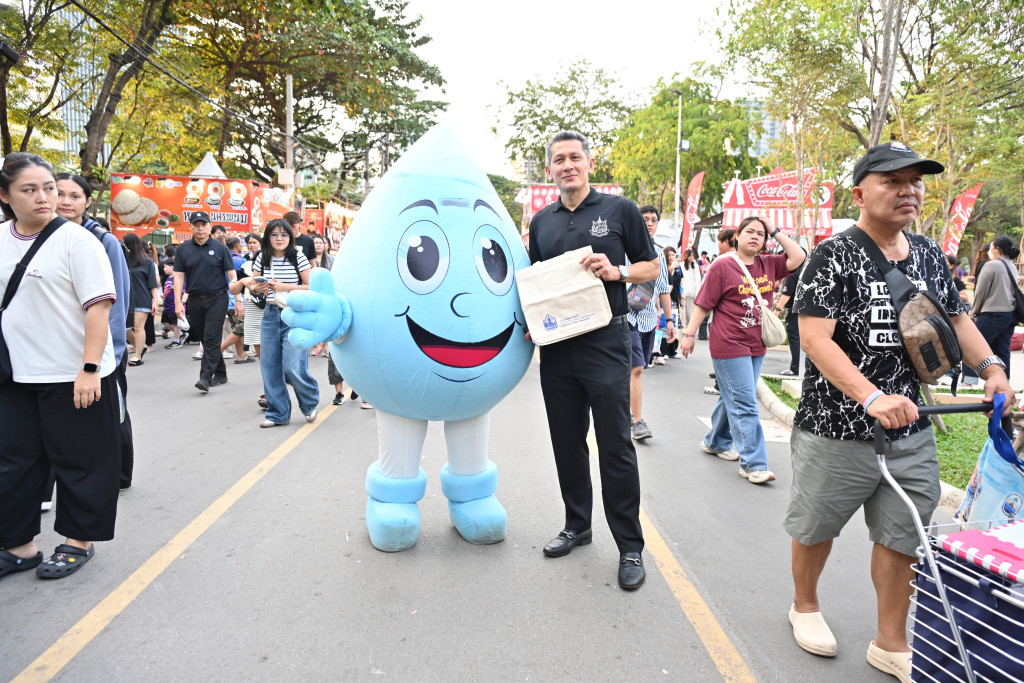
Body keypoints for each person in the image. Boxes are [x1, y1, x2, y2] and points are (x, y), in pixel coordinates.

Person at [784, 142, 1013, 682]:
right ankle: (804, 605)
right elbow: (815, 340)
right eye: (892, 181)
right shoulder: (831, 256)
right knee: (817, 525)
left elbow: (958, 320)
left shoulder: (930, 254)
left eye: (915, 181)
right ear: (860, 193)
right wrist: (871, 396)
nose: (908, 190)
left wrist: (992, 370)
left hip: (912, 429)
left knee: (902, 534)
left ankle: (890, 640)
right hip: (836, 429)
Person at [528, 130, 659, 591]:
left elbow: (651, 266)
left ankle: (630, 547)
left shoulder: (619, 210)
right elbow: (537, 282)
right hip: (557, 346)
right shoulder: (541, 222)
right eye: (559, 159)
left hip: (606, 339)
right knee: (566, 441)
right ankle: (577, 526)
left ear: (589, 163)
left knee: (615, 444)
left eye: (575, 157)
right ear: (550, 169)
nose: (567, 165)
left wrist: (617, 271)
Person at [0, 153, 120, 580]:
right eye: (29, 189)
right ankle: (19, 546)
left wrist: (89, 368)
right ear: (5, 195)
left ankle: (77, 540)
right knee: (14, 463)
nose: (44, 197)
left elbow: (98, 308)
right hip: (14, 373)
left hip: (71, 374)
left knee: (79, 460)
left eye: (48, 188)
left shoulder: (77, 241)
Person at [680, 217, 804, 484]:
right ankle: (754, 463)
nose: (755, 236)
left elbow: (798, 256)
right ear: (737, 235)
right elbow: (704, 303)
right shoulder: (722, 265)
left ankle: (716, 441)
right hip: (729, 343)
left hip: (757, 344)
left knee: (734, 396)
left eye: (761, 233)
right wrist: (689, 334)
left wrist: (774, 230)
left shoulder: (769, 263)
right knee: (745, 402)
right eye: (749, 231)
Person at [55, 173, 134, 491]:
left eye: (74, 196)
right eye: (59, 193)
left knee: (112, 415)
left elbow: (117, 301)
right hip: (59, 348)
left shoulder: (104, 241)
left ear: (88, 202)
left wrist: (112, 353)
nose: (65, 201)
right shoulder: (44, 237)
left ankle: (120, 474)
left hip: (104, 350)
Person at [236, 218, 319, 427]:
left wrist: (284, 287)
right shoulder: (261, 257)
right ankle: (277, 414)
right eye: (274, 234)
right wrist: (258, 288)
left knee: (292, 365)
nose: (279, 238)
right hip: (270, 315)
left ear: (290, 237)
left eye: (284, 234)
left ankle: (309, 402)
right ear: (268, 237)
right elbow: (254, 285)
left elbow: (312, 286)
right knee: (270, 366)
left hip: (294, 316)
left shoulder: (298, 257)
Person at [173, 211, 236, 393]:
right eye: (196, 225)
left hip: (218, 298)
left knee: (211, 337)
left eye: (204, 225)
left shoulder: (220, 248)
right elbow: (179, 277)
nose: (200, 228)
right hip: (194, 299)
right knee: (205, 337)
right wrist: (178, 302)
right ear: (190, 227)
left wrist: (239, 298)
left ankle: (205, 377)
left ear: (210, 226)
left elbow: (232, 275)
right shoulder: (183, 249)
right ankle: (221, 373)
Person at [627, 206, 675, 440]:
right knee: (636, 368)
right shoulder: (623, 248)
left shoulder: (658, 253)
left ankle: (625, 410)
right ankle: (638, 421)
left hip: (648, 320)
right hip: (625, 317)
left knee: (636, 369)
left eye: (653, 220)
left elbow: (664, 289)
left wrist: (669, 320)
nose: (649, 223)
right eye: (644, 219)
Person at [961, 234, 1019, 386]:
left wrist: (974, 312)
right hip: (1010, 315)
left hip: (992, 313)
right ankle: (1004, 382)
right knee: (1002, 350)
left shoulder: (991, 265)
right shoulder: (1012, 266)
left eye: (991, 247)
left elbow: (981, 292)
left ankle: (969, 383)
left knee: (972, 346)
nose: (989, 250)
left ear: (997, 249)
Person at [123, 233, 159, 367]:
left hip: (142, 299)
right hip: (126, 300)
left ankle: (137, 356)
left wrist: (155, 302)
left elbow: (153, 284)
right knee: (125, 329)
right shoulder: (123, 260)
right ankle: (140, 346)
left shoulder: (147, 262)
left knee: (138, 327)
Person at [774, 249, 807, 376]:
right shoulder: (807, 271)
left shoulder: (793, 273)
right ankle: (802, 368)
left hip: (794, 311)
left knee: (795, 339)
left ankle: (795, 368)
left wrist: (777, 310)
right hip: (806, 311)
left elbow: (786, 294)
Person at [220, 236, 249, 364]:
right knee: (241, 329)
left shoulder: (222, 259)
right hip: (238, 299)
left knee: (237, 329)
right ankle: (216, 352)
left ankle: (241, 355)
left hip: (225, 299)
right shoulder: (242, 261)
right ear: (237, 245)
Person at [680, 248, 701, 330]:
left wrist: (697, 294)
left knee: (690, 313)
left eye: (692, 256)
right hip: (683, 293)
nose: (692, 257)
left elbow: (698, 280)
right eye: (690, 256)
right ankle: (683, 330)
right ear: (686, 256)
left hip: (691, 293)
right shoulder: (681, 265)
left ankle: (689, 330)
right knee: (682, 314)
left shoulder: (695, 266)